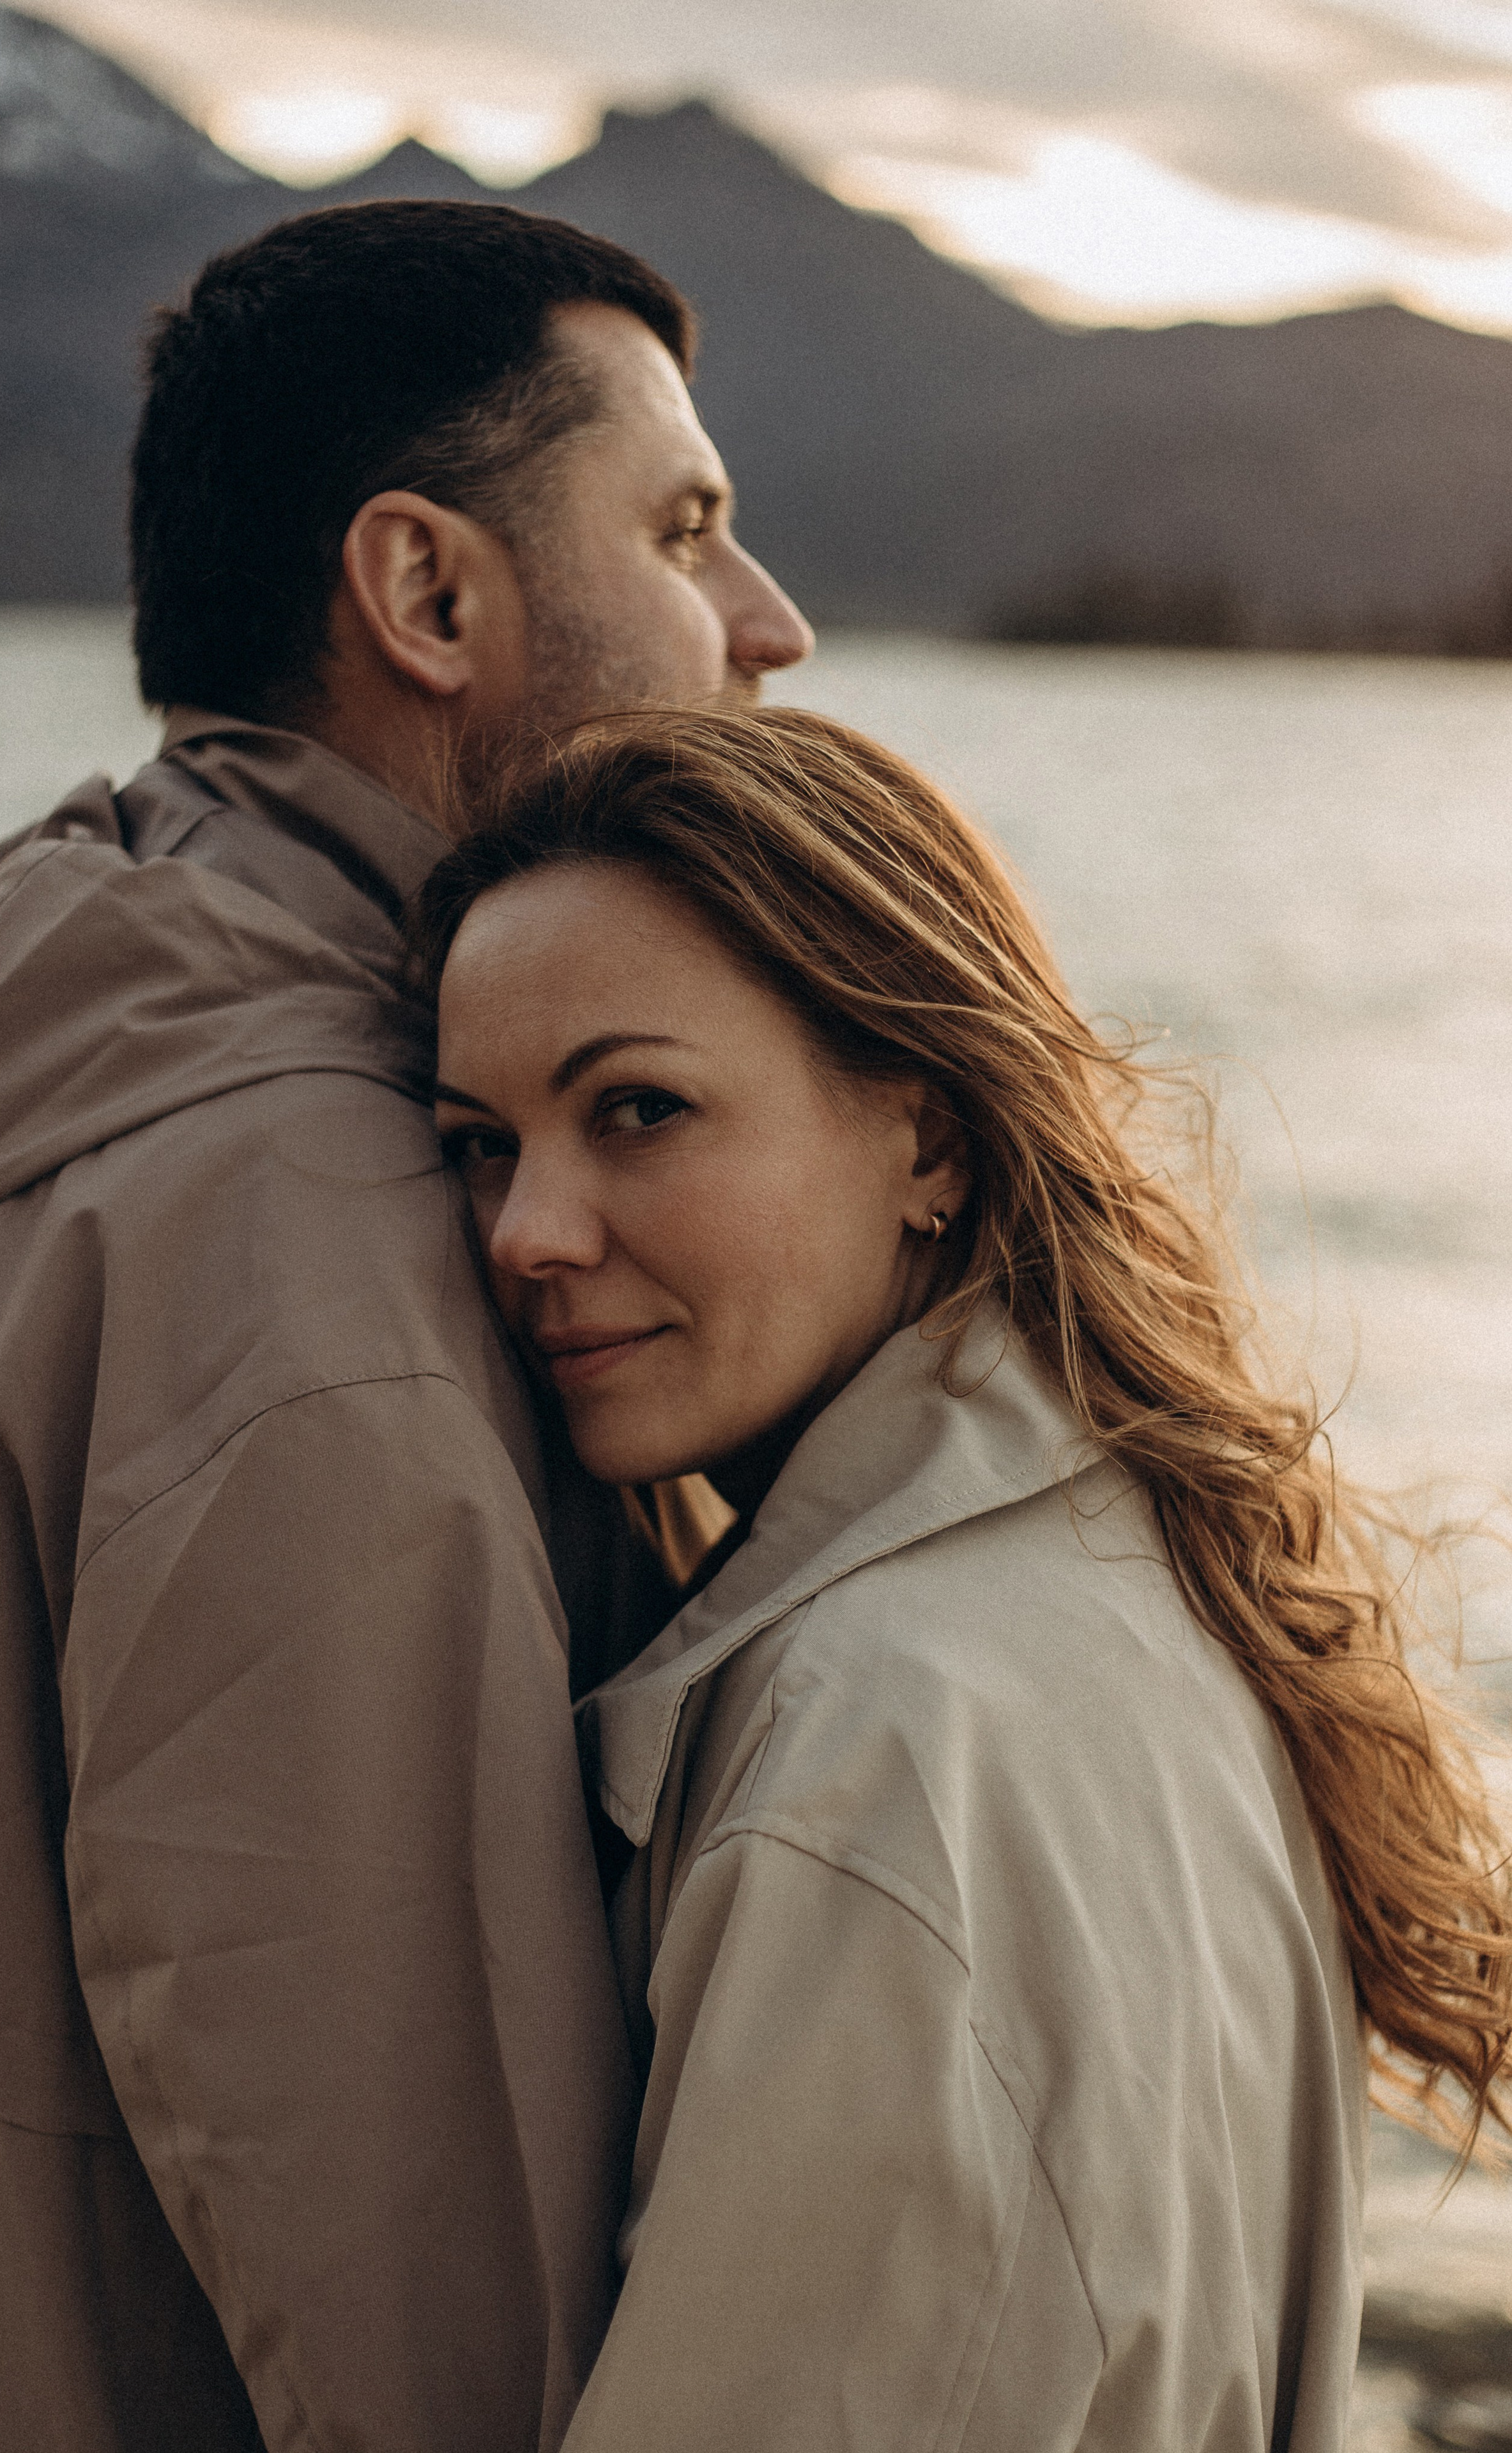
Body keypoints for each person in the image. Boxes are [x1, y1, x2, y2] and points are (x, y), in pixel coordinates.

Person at [0, 203, 811, 2452]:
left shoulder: (15, 1021)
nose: (769, 629)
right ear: (428, 596)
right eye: (686, 530)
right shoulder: (322, 1240)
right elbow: (416, 2277)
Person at [419, 704, 1512, 2453]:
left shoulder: (884, 1752)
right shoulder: (1107, 1565)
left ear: (926, 1136)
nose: (529, 1230)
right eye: (481, 1139)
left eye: (637, 1109)